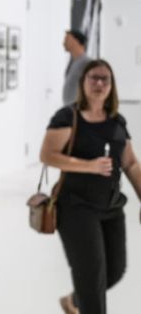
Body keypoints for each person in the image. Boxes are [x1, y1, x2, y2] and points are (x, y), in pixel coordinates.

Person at [40, 59, 141, 314]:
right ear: (83, 83)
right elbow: (47, 155)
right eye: (93, 78)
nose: (98, 83)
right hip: (76, 207)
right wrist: (90, 166)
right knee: (91, 275)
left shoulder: (117, 121)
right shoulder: (68, 117)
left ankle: (73, 301)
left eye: (104, 79)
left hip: (111, 207)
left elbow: (129, 163)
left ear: (111, 85)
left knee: (115, 270)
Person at [62, 29, 92, 106]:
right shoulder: (72, 63)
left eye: (67, 40)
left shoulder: (87, 63)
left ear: (76, 41)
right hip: (69, 109)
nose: (63, 43)